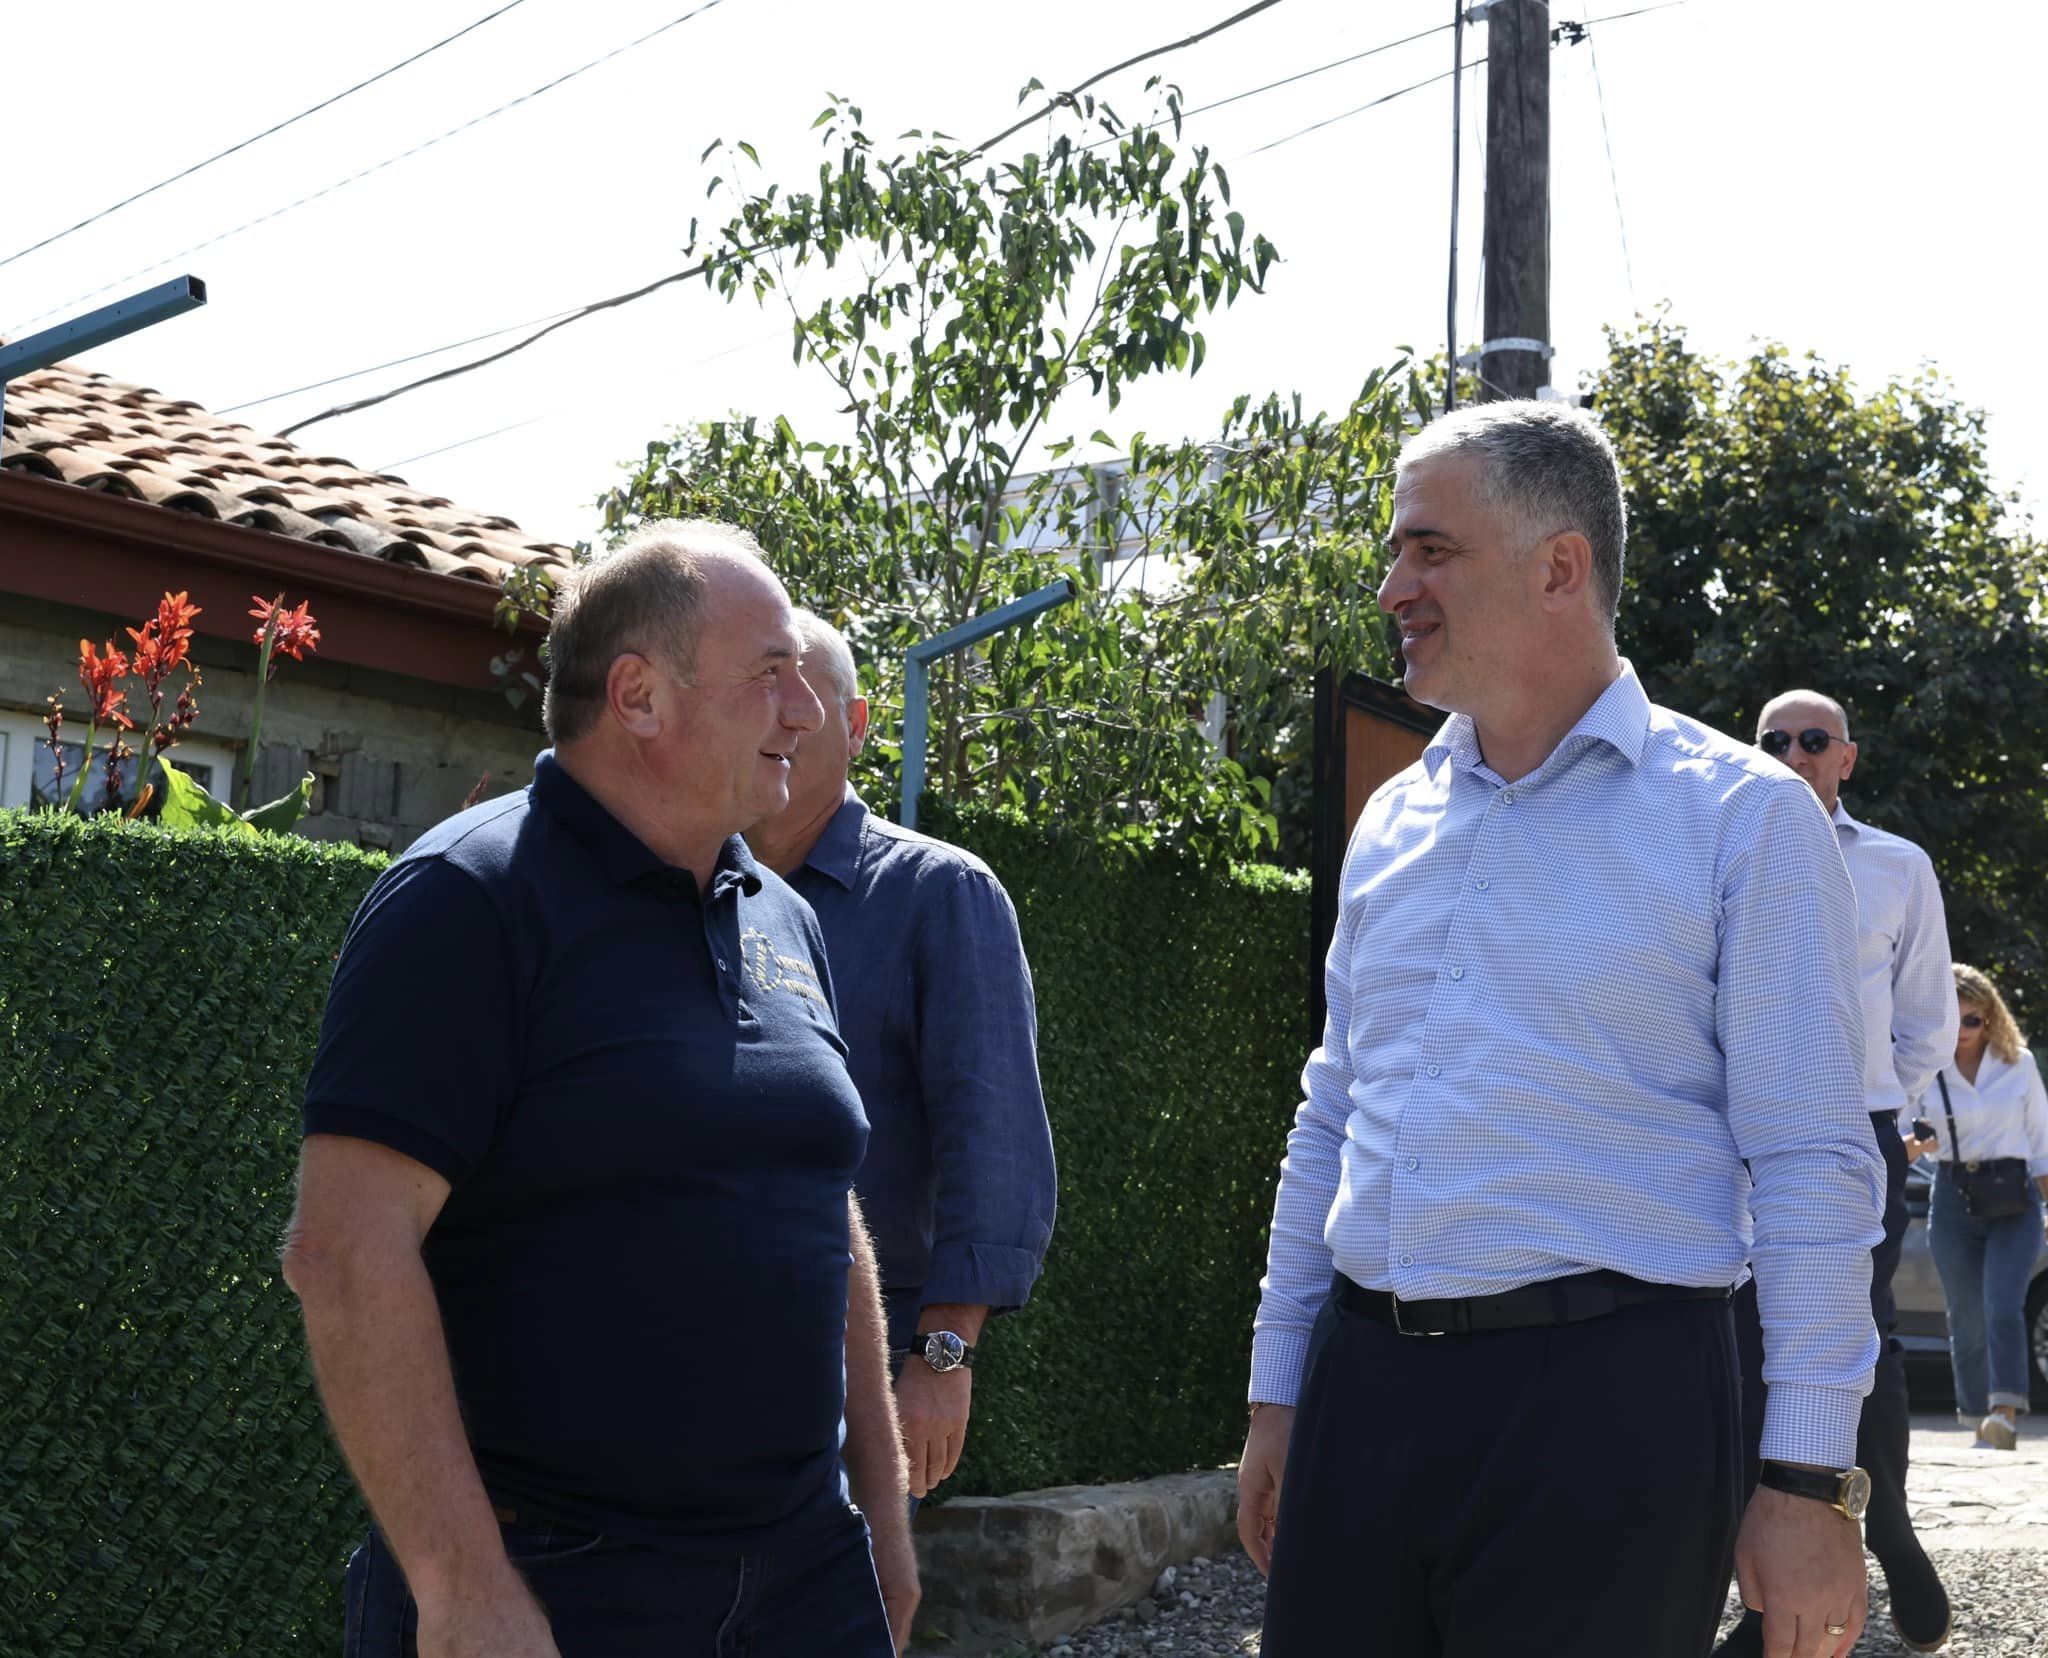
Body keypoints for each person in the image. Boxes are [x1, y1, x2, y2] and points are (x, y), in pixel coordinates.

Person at [1236, 400, 1886, 1658]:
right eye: (1395, 551)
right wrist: (1277, 1389)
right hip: (1363, 1390)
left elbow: (1812, 1159)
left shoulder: (1741, 817)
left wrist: (1807, 1481)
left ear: (1558, 565)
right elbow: (1331, 1113)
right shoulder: (1392, 820)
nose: (1392, 587)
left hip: (1608, 1412)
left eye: (1429, 549)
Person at [282, 521, 917, 1658]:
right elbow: (344, 1250)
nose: (805, 711)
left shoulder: (784, 915)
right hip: (558, 1582)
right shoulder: (467, 900)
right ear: (638, 696)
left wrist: (881, 1520)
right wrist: (462, 1585)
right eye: (770, 673)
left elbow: (826, 1212)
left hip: (803, 1578)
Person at [745, 610, 1056, 1503]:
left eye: (806, 693)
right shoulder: (701, 890)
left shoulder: (940, 893)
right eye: (759, 688)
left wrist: (943, 1356)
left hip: (862, 1364)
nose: (782, 715)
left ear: (856, 725)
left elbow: (995, 1143)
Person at [1715, 692, 1957, 1656]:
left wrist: (1863, 1100)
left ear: (1846, 757)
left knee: (1861, 1330)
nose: (1793, 753)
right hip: (1735, 1138)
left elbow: (1928, 1021)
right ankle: (1761, 1579)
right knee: (1740, 1334)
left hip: (1856, 1132)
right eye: (1773, 741)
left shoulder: (1898, 866)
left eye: (1813, 740)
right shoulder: (1718, 846)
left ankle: (1883, 1524)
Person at [1905, 963, 2048, 1451]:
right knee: (1965, 1317)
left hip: (2015, 1197)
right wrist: (1918, 1144)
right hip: (1952, 1196)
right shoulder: (1925, 1068)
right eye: (1956, 1019)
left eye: (1974, 1019)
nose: (1964, 1029)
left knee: (2002, 1305)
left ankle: (2003, 1415)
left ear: (1991, 1018)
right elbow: (1903, 1139)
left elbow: (2041, 1145)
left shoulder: (2017, 1064)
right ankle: (1977, 1417)